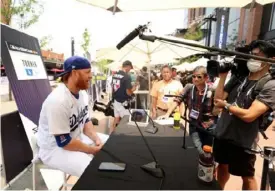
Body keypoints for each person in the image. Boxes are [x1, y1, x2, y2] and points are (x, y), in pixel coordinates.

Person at [213, 40, 275, 190]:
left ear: (270, 60)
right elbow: (217, 100)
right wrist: (222, 76)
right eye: (250, 55)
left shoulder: (270, 85)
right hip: (223, 132)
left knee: (247, 176)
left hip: (244, 140)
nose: (251, 59)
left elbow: (249, 115)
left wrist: (226, 105)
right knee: (222, 166)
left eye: (256, 56)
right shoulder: (239, 77)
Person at [37, 56, 109, 177]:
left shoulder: (82, 93)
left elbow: (86, 121)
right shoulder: (57, 101)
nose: (91, 76)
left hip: (76, 137)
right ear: (74, 73)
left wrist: (97, 139)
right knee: (92, 170)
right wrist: (91, 150)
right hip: (54, 149)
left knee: (111, 144)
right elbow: (64, 142)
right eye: (87, 72)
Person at [159, 66, 217, 154]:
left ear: (206, 78)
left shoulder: (212, 90)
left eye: (199, 77)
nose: (195, 79)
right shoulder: (189, 87)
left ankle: (206, 166)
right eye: (194, 76)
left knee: (208, 151)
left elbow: (217, 108)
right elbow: (177, 100)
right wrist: (167, 114)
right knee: (199, 150)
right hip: (194, 125)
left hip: (208, 127)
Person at [111, 60, 137, 133]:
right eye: (130, 68)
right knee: (126, 120)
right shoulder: (126, 76)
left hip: (115, 100)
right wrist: (134, 89)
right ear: (128, 66)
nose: (130, 70)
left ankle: (112, 134)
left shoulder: (115, 75)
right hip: (122, 102)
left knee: (116, 118)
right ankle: (125, 137)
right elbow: (128, 93)